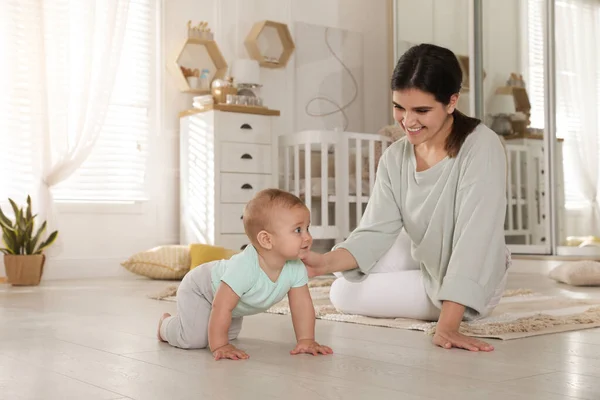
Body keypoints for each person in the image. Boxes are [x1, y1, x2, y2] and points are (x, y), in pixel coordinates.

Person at [301, 43, 511, 352]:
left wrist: (448, 326)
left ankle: (450, 304)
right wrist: (318, 264)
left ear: (452, 102)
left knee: (343, 294)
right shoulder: (394, 157)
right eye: (400, 107)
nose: (407, 121)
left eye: (421, 110)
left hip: (475, 279)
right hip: (426, 250)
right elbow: (374, 231)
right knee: (340, 267)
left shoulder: (482, 146)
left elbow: (475, 239)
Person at [157, 188, 333, 360]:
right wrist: (220, 346)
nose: (308, 237)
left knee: (229, 335)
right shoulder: (245, 267)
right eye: (298, 230)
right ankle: (165, 326)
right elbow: (221, 306)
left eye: (307, 228)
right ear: (266, 239)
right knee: (194, 340)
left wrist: (306, 340)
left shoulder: (295, 267)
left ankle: (209, 332)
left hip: (231, 304)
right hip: (201, 290)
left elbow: (301, 305)